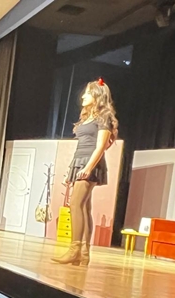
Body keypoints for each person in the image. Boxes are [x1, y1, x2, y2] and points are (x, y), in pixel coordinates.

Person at [52, 78, 119, 266]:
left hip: (90, 163)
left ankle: (74, 250)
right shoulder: (87, 117)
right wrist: (70, 169)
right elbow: (81, 146)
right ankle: (83, 253)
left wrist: (88, 167)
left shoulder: (104, 116)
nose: (83, 96)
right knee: (84, 207)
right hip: (79, 161)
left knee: (75, 204)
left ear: (97, 96)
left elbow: (101, 146)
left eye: (88, 93)